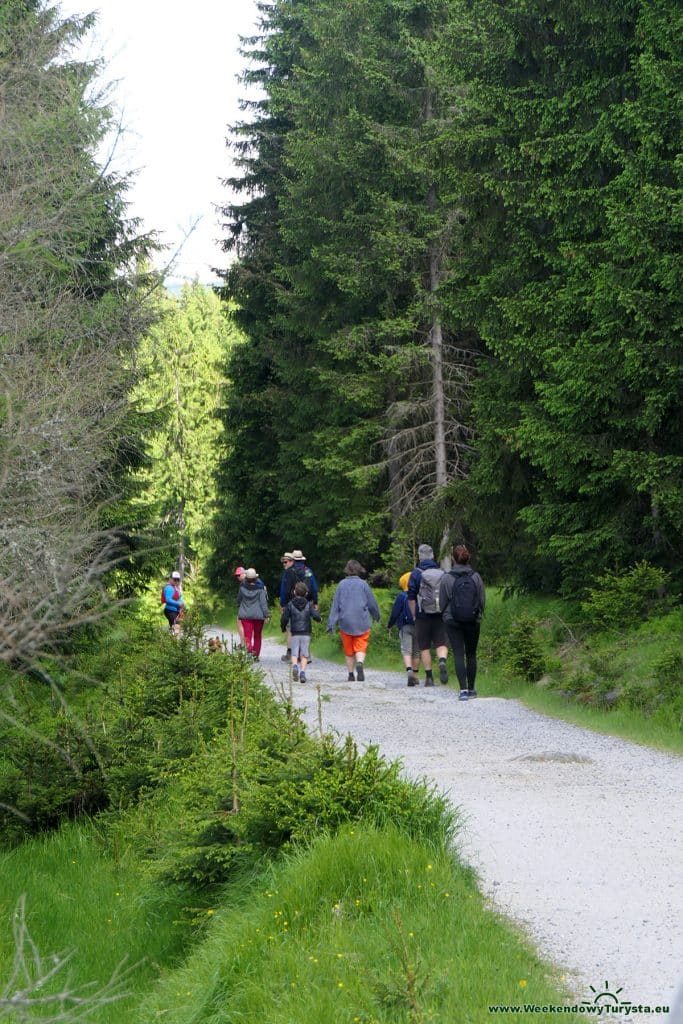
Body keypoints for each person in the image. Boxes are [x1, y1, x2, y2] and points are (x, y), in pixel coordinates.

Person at [439, 544, 485, 700]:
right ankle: (472, 689)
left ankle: (463, 690)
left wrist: (445, 616)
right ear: (468, 558)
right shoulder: (476, 577)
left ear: (453, 558)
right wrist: (478, 615)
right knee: (471, 654)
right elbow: (481, 600)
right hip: (472, 620)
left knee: (458, 653)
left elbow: (443, 603)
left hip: (452, 621)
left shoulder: (447, 578)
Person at [326, 559, 380, 682]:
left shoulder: (341, 585)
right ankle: (360, 663)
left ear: (347, 570)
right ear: (359, 570)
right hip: (362, 621)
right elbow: (372, 603)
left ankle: (351, 675)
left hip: (345, 622)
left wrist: (331, 623)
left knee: (349, 650)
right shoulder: (364, 584)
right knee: (361, 645)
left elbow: (335, 606)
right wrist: (376, 616)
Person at [406, 544, 449, 686]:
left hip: (422, 614)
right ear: (433, 556)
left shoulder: (416, 573)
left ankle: (429, 678)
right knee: (441, 642)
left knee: (424, 646)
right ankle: (442, 660)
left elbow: (411, 597)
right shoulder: (441, 572)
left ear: (419, 556)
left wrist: (414, 615)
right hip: (439, 613)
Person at [279, 549, 319, 663]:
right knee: (305, 627)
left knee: (292, 628)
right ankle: (306, 655)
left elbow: (285, 590)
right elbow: (314, 588)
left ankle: (292, 655)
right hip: (307, 602)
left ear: (293, 559)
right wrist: (315, 602)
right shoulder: (308, 571)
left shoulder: (289, 572)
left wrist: (283, 604)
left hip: (292, 602)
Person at [280, 580, 321, 683]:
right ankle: (302, 673)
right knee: (304, 654)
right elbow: (315, 615)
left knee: (294, 652)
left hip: (294, 632)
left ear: (294, 592)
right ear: (306, 593)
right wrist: (319, 619)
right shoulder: (308, 605)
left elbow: (284, 618)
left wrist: (283, 627)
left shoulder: (290, 604)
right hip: (306, 632)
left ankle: (294, 666)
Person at [387, 571, 420, 686]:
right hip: (419, 626)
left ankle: (409, 671)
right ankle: (415, 676)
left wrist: (390, 625)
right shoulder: (419, 594)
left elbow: (395, 613)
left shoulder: (401, 596)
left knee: (406, 650)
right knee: (416, 652)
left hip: (405, 626)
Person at [237, 568, 270, 660]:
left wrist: (240, 605)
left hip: (245, 616)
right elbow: (263, 603)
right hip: (258, 616)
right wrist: (266, 615)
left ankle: (249, 651)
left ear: (246, 578)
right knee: (257, 635)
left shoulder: (242, 587)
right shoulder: (260, 589)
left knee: (248, 635)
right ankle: (255, 656)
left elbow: (239, 600)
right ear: (255, 578)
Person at [162, 570, 184, 637]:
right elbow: (168, 600)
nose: (176, 581)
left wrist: (182, 604)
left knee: (176, 627)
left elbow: (180, 599)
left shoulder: (177, 588)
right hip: (170, 610)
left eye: (178, 580)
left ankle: (172, 641)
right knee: (176, 626)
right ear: (170, 579)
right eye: (175, 579)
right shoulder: (169, 588)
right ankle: (175, 643)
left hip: (176, 611)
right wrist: (178, 604)